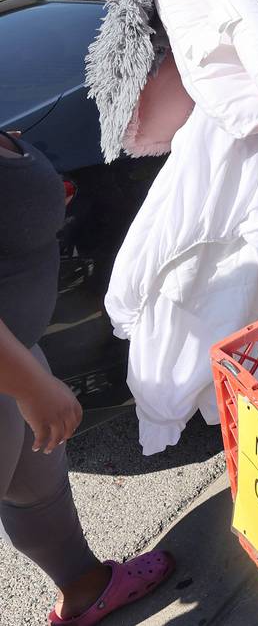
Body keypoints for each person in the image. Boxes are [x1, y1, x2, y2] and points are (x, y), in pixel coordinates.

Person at [0, 129, 173, 625]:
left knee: (38, 490)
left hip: (16, 360)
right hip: (11, 373)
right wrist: (31, 386)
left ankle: (87, 589)